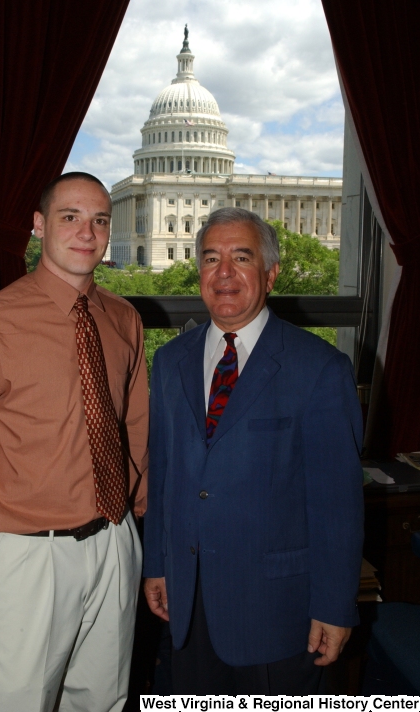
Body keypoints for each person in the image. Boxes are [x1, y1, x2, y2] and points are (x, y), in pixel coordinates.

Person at [0, 172, 149, 712]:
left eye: (99, 220)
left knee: (103, 701)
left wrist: (141, 528)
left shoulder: (124, 319)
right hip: (28, 557)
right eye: (69, 217)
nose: (86, 232)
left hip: (115, 543)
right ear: (38, 226)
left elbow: (136, 432)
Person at [143, 207, 363, 695]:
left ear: (271, 274)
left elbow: (337, 506)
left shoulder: (319, 368)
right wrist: (156, 563)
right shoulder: (169, 361)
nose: (223, 273)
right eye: (210, 258)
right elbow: (164, 474)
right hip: (188, 601)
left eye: (241, 257)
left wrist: (333, 605)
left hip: (279, 611)